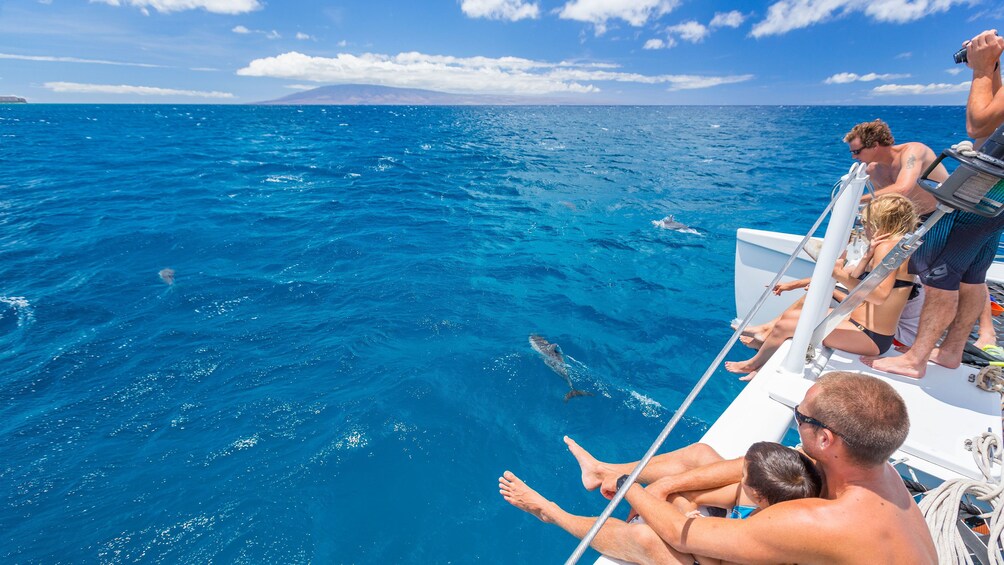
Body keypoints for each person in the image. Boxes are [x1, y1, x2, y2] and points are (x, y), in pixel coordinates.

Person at [499, 372, 937, 564]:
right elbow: (753, 463)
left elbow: (678, 534)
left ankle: (550, 511)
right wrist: (668, 484)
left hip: (799, 540)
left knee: (650, 541)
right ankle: (602, 470)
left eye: (801, 419)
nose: (795, 424)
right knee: (705, 457)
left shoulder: (821, 522)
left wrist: (631, 488)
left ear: (827, 438)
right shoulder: (873, 471)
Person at [863, 29, 1004, 378]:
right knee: (972, 274)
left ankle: (916, 359)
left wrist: (983, 69)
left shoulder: (908, 152)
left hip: (985, 188)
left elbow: (979, 124)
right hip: (996, 197)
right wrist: (995, 67)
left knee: (941, 271)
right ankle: (952, 351)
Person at [725, 194, 920, 380]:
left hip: (870, 336)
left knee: (787, 325)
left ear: (881, 222)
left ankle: (752, 364)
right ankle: (762, 362)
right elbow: (855, 279)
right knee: (792, 317)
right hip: (859, 325)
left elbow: (879, 296)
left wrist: (838, 274)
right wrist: (867, 256)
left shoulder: (888, 248)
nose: (864, 228)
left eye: (866, 223)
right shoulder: (892, 247)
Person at [843, 119, 947, 215]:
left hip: (946, 213)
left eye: (856, 151)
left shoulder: (913, 152)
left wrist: (856, 201)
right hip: (913, 221)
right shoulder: (872, 170)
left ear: (875, 145)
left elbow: (903, 189)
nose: (853, 156)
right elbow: (885, 202)